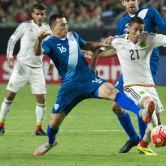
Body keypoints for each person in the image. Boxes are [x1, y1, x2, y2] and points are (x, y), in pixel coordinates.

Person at [33, 13, 155, 156]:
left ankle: (141, 112)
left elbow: (88, 45)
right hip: (69, 87)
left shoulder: (74, 36)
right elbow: (37, 52)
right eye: (62, 24)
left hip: (88, 79)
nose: (66, 26)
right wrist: (39, 40)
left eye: (66, 23)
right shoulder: (49, 43)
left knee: (112, 91)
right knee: (54, 122)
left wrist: (102, 44)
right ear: (53, 28)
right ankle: (51, 142)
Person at [91, 0, 166, 153]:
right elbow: (119, 48)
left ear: (138, 0)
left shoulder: (150, 13)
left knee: (143, 104)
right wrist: (98, 56)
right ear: (122, 3)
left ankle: (143, 143)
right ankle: (134, 138)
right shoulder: (123, 23)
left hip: (147, 65)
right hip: (129, 68)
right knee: (116, 106)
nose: (131, 2)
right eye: (127, 0)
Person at [0, 3, 51, 136]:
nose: (40, 16)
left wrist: (53, 63)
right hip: (21, 67)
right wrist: (9, 56)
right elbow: (12, 40)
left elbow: (52, 47)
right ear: (32, 14)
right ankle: (1, 126)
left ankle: (38, 128)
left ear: (45, 15)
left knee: (41, 99)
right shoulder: (25, 26)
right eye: (37, 13)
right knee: (9, 96)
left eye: (42, 14)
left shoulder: (48, 29)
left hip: (37, 69)